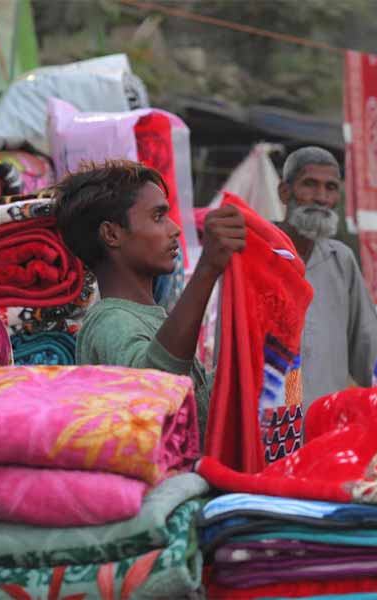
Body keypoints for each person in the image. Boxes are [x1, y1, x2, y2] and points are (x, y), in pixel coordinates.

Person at [56, 160, 247, 438]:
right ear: (112, 234)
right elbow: (155, 383)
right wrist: (207, 269)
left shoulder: (151, 318)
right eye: (158, 217)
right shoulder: (109, 322)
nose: (174, 229)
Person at [276, 146, 377, 411]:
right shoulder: (256, 254)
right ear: (285, 192)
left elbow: (369, 348)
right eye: (310, 185)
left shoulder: (341, 260)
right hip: (263, 428)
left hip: (324, 424)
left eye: (330, 188)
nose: (321, 198)